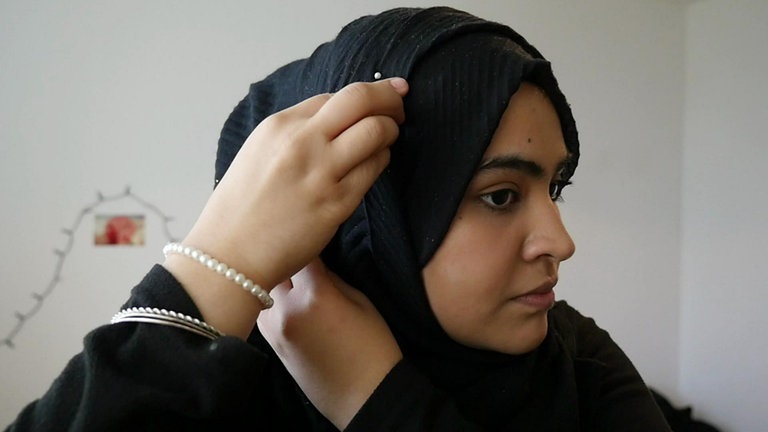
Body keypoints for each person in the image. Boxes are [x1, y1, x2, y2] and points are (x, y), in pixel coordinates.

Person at [6, 6, 672, 431]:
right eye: (500, 195)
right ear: (370, 216)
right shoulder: (230, 394)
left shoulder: (576, 359)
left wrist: (374, 396)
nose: (561, 241)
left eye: (556, 187)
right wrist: (219, 263)